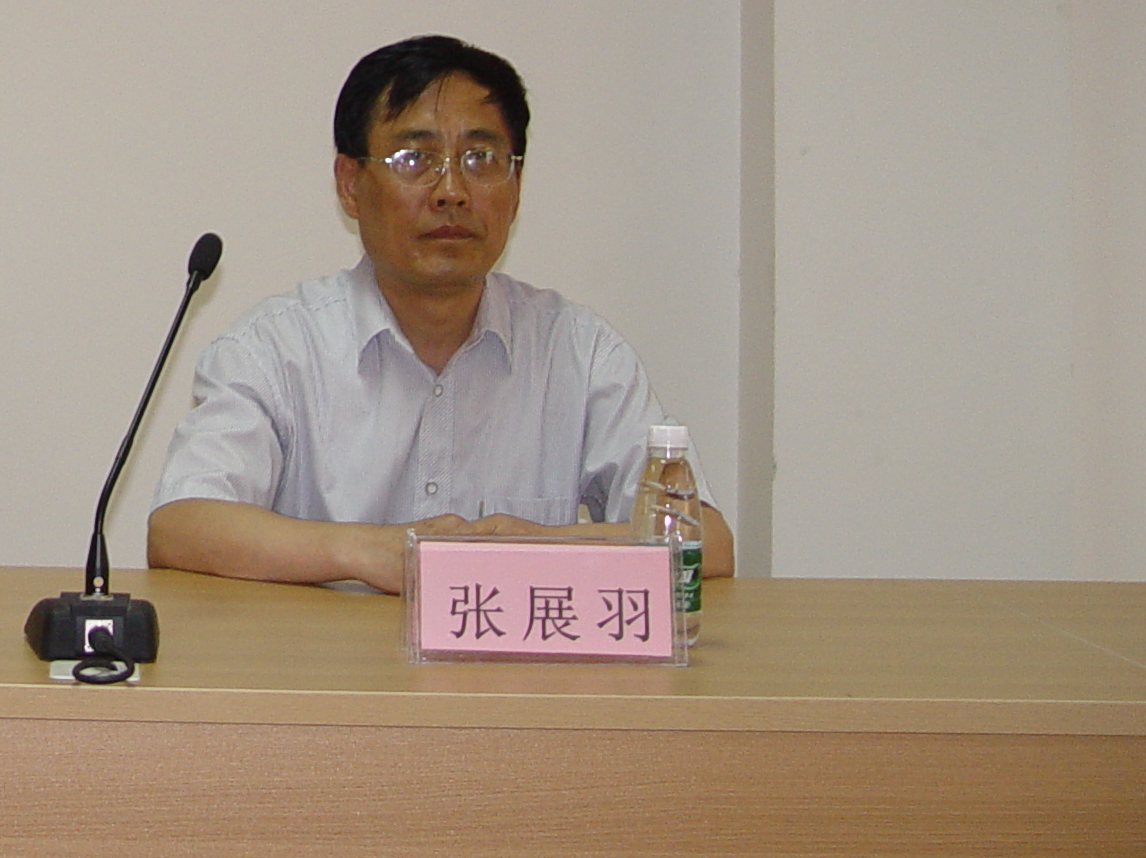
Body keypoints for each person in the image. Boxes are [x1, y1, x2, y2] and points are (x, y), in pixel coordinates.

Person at [148, 34, 733, 594]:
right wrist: (369, 552)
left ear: (517, 184)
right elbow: (181, 526)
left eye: (481, 158)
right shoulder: (274, 350)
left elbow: (706, 541)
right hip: (325, 663)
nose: (451, 190)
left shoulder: (578, 351)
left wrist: (536, 547)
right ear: (350, 184)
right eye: (414, 158)